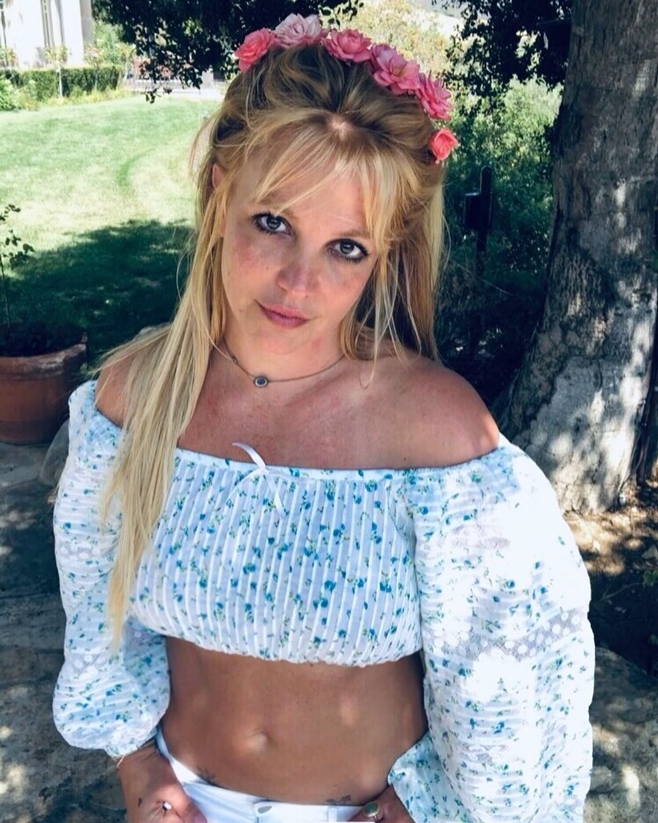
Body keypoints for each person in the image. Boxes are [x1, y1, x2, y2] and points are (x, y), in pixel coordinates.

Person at [52, 14, 594, 823]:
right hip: (185, 802)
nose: (299, 283)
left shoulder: (436, 433)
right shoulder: (136, 403)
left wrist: (435, 806)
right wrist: (138, 768)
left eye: (347, 248)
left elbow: (515, 672)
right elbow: (100, 614)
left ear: (385, 255)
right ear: (219, 195)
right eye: (273, 222)